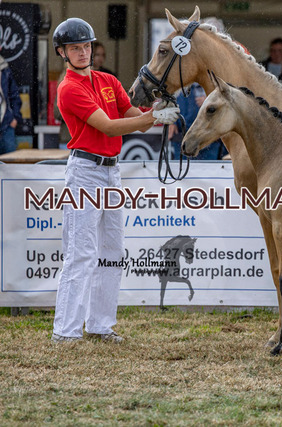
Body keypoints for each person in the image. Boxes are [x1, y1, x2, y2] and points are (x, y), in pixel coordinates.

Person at [51, 18, 180, 343]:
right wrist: (152, 117)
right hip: (85, 170)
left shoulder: (107, 80)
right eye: (75, 48)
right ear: (62, 53)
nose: (83, 52)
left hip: (111, 169)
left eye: (86, 46)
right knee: (81, 252)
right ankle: (65, 331)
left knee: (112, 250)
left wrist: (156, 111)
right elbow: (108, 126)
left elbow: (131, 118)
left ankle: (100, 324)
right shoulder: (68, 88)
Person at [168, 83, 227, 160]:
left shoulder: (216, 83)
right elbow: (168, 97)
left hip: (209, 141)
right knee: (182, 167)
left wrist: (211, 103)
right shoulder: (179, 82)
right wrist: (172, 121)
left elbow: (228, 104)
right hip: (181, 138)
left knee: (207, 167)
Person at [0, 47, 23, 155]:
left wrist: (14, 118)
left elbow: (14, 95)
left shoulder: (4, 68)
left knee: (10, 161)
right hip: (7, 123)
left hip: (6, 124)